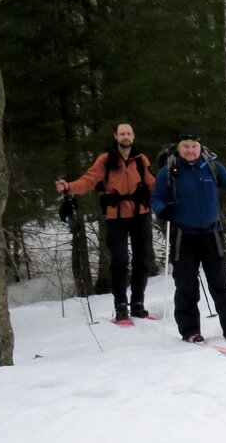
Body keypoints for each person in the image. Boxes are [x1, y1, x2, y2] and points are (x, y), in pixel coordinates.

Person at [150, 129, 226, 343]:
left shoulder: (212, 167)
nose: (190, 150)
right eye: (186, 146)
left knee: (221, 283)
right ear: (179, 148)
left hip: (211, 233)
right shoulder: (168, 171)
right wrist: (162, 210)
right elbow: (157, 198)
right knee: (186, 285)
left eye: (194, 146)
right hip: (183, 236)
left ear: (200, 147)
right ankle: (190, 331)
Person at [55, 122, 155, 322]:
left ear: (133, 136)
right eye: (122, 134)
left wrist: (170, 196)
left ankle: (137, 304)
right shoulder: (106, 159)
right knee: (119, 262)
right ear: (116, 136)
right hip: (116, 217)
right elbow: (89, 180)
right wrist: (69, 188)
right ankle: (120, 307)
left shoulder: (140, 159)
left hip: (140, 214)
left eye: (128, 133)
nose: (125, 137)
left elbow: (152, 183)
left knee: (142, 260)